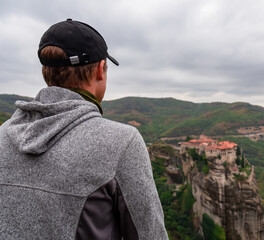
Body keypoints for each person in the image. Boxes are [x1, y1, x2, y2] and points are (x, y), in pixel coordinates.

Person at [0, 19, 168, 240]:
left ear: (46, 72)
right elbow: (150, 234)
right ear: (100, 70)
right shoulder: (121, 143)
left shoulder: (3, 136)